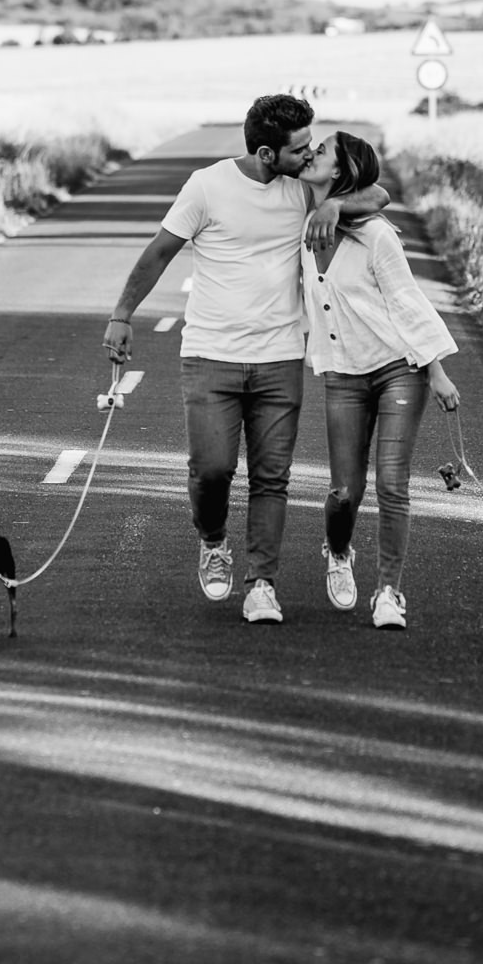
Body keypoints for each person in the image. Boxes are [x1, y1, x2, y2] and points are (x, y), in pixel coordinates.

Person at [103, 95, 387, 624]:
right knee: (211, 471)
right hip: (210, 354)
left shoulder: (305, 189)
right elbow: (159, 252)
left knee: (271, 477)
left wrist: (333, 206)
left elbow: (379, 194)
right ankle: (213, 541)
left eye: (310, 145)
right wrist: (122, 314)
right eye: (299, 148)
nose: (308, 155)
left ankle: (261, 583)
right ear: (264, 152)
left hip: (280, 355)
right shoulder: (207, 186)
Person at [298, 131, 460, 630]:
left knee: (392, 483)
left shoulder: (377, 235)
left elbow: (407, 302)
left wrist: (435, 369)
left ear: (343, 171)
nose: (312, 153)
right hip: (342, 373)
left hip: (398, 369)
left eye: (323, 150)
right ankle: (339, 550)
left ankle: (389, 591)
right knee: (345, 490)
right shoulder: (299, 215)